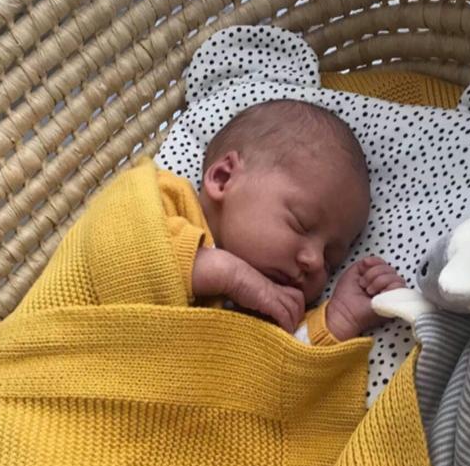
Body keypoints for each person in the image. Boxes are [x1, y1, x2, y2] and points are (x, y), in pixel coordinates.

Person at [159, 98, 405, 343]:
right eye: (301, 224)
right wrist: (225, 274)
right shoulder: (166, 199)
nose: (315, 261)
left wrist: (340, 319)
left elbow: (283, 362)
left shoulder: (275, 317)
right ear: (223, 178)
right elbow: (135, 248)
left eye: (330, 262)